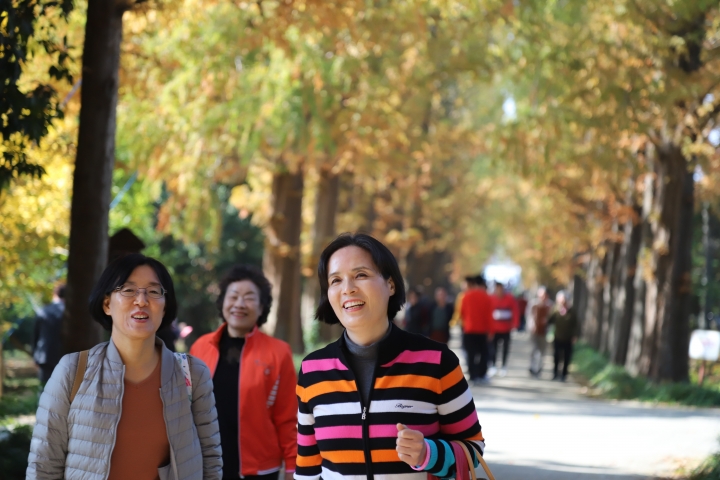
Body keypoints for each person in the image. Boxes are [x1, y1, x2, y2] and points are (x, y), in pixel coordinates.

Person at [295, 233, 485, 480]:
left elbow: (474, 450)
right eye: (336, 280)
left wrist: (429, 454)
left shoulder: (437, 362)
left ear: (391, 284)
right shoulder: (313, 370)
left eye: (361, 275)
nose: (348, 288)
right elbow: (307, 468)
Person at [27, 253, 222, 480]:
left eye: (154, 291)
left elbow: (210, 461)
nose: (142, 300)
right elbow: (43, 466)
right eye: (128, 290)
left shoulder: (192, 374)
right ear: (107, 304)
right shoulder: (72, 371)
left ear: (165, 307)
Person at [191, 265, 297, 480]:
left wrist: (292, 467)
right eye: (233, 296)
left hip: (258, 469)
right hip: (205, 466)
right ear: (223, 302)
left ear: (261, 307)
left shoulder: (279, 352)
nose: (239, 304)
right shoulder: (200, 347)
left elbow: (288, 418)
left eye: (249, 298)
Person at [460, 275, 494, 384]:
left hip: (469, 330)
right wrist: (491, 331)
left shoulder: (466, 296)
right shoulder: (487, 297)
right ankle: (481, 374)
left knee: (471, 354)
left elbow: (462, 313)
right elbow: (489, 316)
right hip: (482, 331)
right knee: (483, 354)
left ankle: (472, 375)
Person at [32, 283, 65, 383]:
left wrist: (35, 355)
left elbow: (35, 335)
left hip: (45, 357)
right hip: (66, 357)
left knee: (45, 387)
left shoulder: (43, 311)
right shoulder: (71, 313)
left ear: (55, 294)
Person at [489, 282, 519, 377]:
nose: (499, 291)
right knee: (494, 348)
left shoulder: (510, 298)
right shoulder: (491, 298)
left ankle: (503, 366)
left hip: (506, 329)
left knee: (505, 348)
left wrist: (515, 324)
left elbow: (515, 311)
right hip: (494, 329)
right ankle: (493, 366)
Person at [548, 291, 579, 381]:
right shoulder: (555, 310)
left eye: (564, 300)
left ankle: (564, 375)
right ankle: (555, 373)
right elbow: (549, 320)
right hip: (557, 336)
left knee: (566, 357)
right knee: (556, 356)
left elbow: (575, 324)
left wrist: (575, 336)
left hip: (568, 337)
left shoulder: (572, 311)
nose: (563, 302)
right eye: (561, 300)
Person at [528, 286, 553, 377]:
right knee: (534, 349)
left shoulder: (550, 305)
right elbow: (529, 316)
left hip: (544, 332)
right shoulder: (533, 304)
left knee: (542, 351)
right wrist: (531, 326)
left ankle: (539, 368)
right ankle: (532, 367)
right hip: (534, 331)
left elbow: (552, 319)